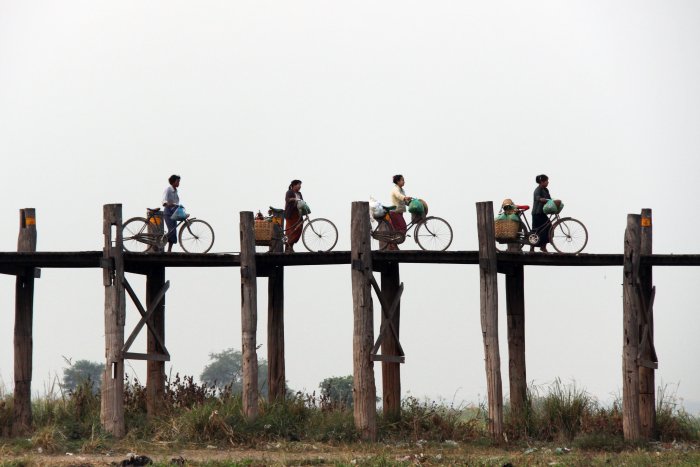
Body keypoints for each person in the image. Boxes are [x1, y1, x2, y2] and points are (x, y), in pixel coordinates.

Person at [388, 174, 412, 250]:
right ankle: (392, 245)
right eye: (402, 180)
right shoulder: (396, 189)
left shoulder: (402, 190)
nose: (404, 181)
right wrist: (404, 197)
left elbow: (404, 201)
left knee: (395, 230)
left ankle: (392, 245)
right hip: (395, 212)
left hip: (399, 212)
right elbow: (398, 196)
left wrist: (410, 202)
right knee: (403, 227)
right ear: (398, 181)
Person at [531, 174, 552, 253]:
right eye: (547, 181)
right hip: (537, 213)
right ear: (542, 181)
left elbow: (550, 199)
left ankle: (543, 247)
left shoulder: (546, 190)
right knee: (536, 231)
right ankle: (532, 248)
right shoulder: (538, 189)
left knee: (549, 228)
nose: (548, 182)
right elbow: (538, 198)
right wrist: (543, 199)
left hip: (543, 213)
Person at [162, 174, 181, 252]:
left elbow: (176, 203)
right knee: (171, 230)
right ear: (173, 182)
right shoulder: (168, 189)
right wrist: (169, 204)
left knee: (174, 230)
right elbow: (164, 201)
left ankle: (169, 250)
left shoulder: (176, 191)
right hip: (168, 211)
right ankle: (162, 243)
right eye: (177, 181)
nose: (178, 183)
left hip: (174, 212)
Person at [284, 179, 303, 253]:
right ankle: (288, 247)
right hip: (291, 214)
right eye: (298, 185)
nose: (300, 186)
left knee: (298, 229)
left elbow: (302, 202)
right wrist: (294, 199)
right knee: (290, 230)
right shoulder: (289, 192)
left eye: (300, 185)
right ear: (294, 185)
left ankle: (291, 246)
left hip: (298, 214)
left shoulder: (300, 193)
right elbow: (287, 200)